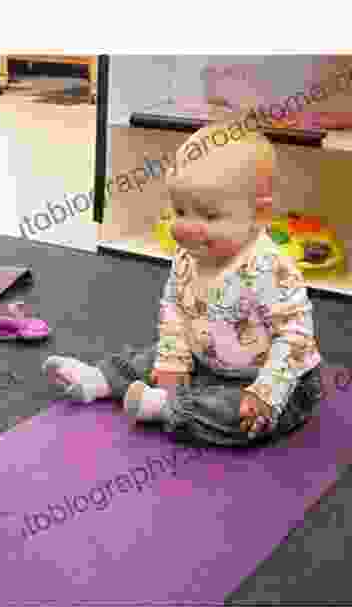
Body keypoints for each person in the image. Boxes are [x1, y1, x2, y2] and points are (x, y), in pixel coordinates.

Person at [44, 118, 323, 446]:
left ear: (258, 215)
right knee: (149, 356)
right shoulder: (188, 256)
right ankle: (99, 380)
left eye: (208, 216)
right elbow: (175, 310)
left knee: (244, 417)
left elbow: (294, 338)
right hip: (207, 358)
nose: (188, 228)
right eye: (180, 210)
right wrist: (173, 362)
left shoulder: (270, 268)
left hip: (273, 379)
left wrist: (265, 392)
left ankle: (164, 408)